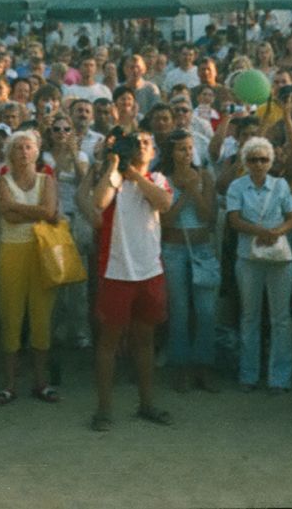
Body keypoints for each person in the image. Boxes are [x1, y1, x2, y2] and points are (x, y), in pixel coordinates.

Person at [87, 128, 175, 432]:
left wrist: (136, 176)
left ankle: (146, 403)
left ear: (153, 152)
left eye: (146, 143)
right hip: (117, 271)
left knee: (145, 340)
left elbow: (163, 203)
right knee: (109, 341)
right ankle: (104, 409)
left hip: (149, 270)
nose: (140, 146)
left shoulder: (158, 179)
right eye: (135, 142)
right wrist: (114, 165)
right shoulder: (115, 179)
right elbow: (99, 202)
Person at [0, 129, 60, 404]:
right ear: (10, 152)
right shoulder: (1, 182)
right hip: (12, 249)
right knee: (11, 315)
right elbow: (7, 216)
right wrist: (38, 213)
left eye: (28, 147)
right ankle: (9, 383)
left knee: (41, 317)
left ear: (37, 151)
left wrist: (19, 209)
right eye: (18, 147)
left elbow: (48, 211)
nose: (23, 152)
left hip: (42, 250)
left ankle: (41, 382)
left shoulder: (47, 180)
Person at [227, 135, 292, 394]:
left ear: (270, 161)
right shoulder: (236, 187)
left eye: (264, 159)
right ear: (246, 161)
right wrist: (261, 231)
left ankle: (279, 378)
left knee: (280, 318)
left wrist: (277, 231)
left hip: (279, 257)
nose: (259, 164)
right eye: (254, 159)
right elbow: (233, 220)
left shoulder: (280, 186)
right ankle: (249, 374)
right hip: (248, 257)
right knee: (250, 317)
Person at [159, 126, 220, 393]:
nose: (186, 153)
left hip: (201, 247)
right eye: (181, 148)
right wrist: (183, 194)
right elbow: (165, 220)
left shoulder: (205, 176)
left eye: (189, 148)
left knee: (206, 311)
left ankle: (203, 367)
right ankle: (180, 367)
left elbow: (209, 216)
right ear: (171, 152)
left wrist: (194, 189)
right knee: (180, 311)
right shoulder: (162, 178)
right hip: (173, 247)